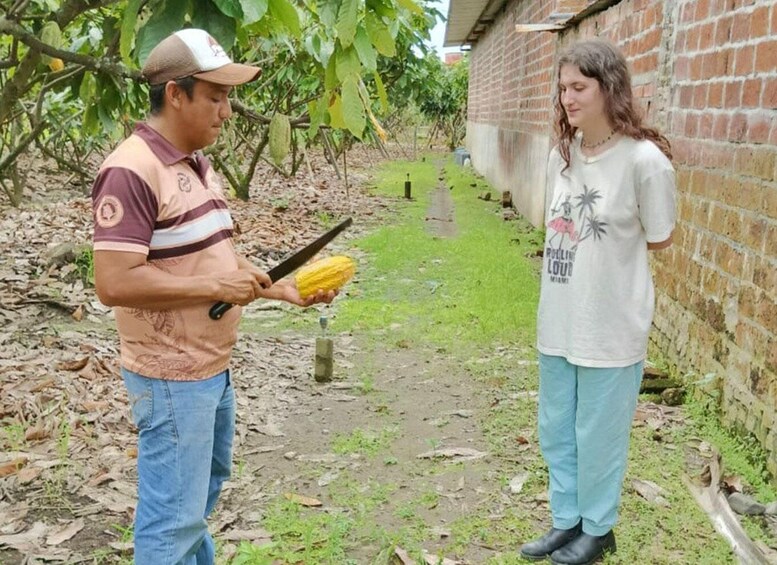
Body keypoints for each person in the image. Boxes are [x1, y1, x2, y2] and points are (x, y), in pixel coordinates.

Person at [91, 28, 335, 564]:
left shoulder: (199, 165)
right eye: (216, 98)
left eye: (228, 98)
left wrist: (283, 290)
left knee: (195, 501)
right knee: (171, 519)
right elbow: (113, 282)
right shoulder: (131, 170)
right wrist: (214, 286)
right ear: (175, 94)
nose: (227, 112)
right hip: (170, 375)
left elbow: (215, 260)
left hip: (209, 369)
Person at [520, 39, 675, 564]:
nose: (567, 97)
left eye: (579, 87)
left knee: (599, 436)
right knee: (556, 428)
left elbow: (659, 238)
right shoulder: (559, 157)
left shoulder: (644, 162)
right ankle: (566, 522)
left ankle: (598, 528)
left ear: (610, 89)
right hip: (559, 320)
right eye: (562, 87)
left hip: (610, 325)